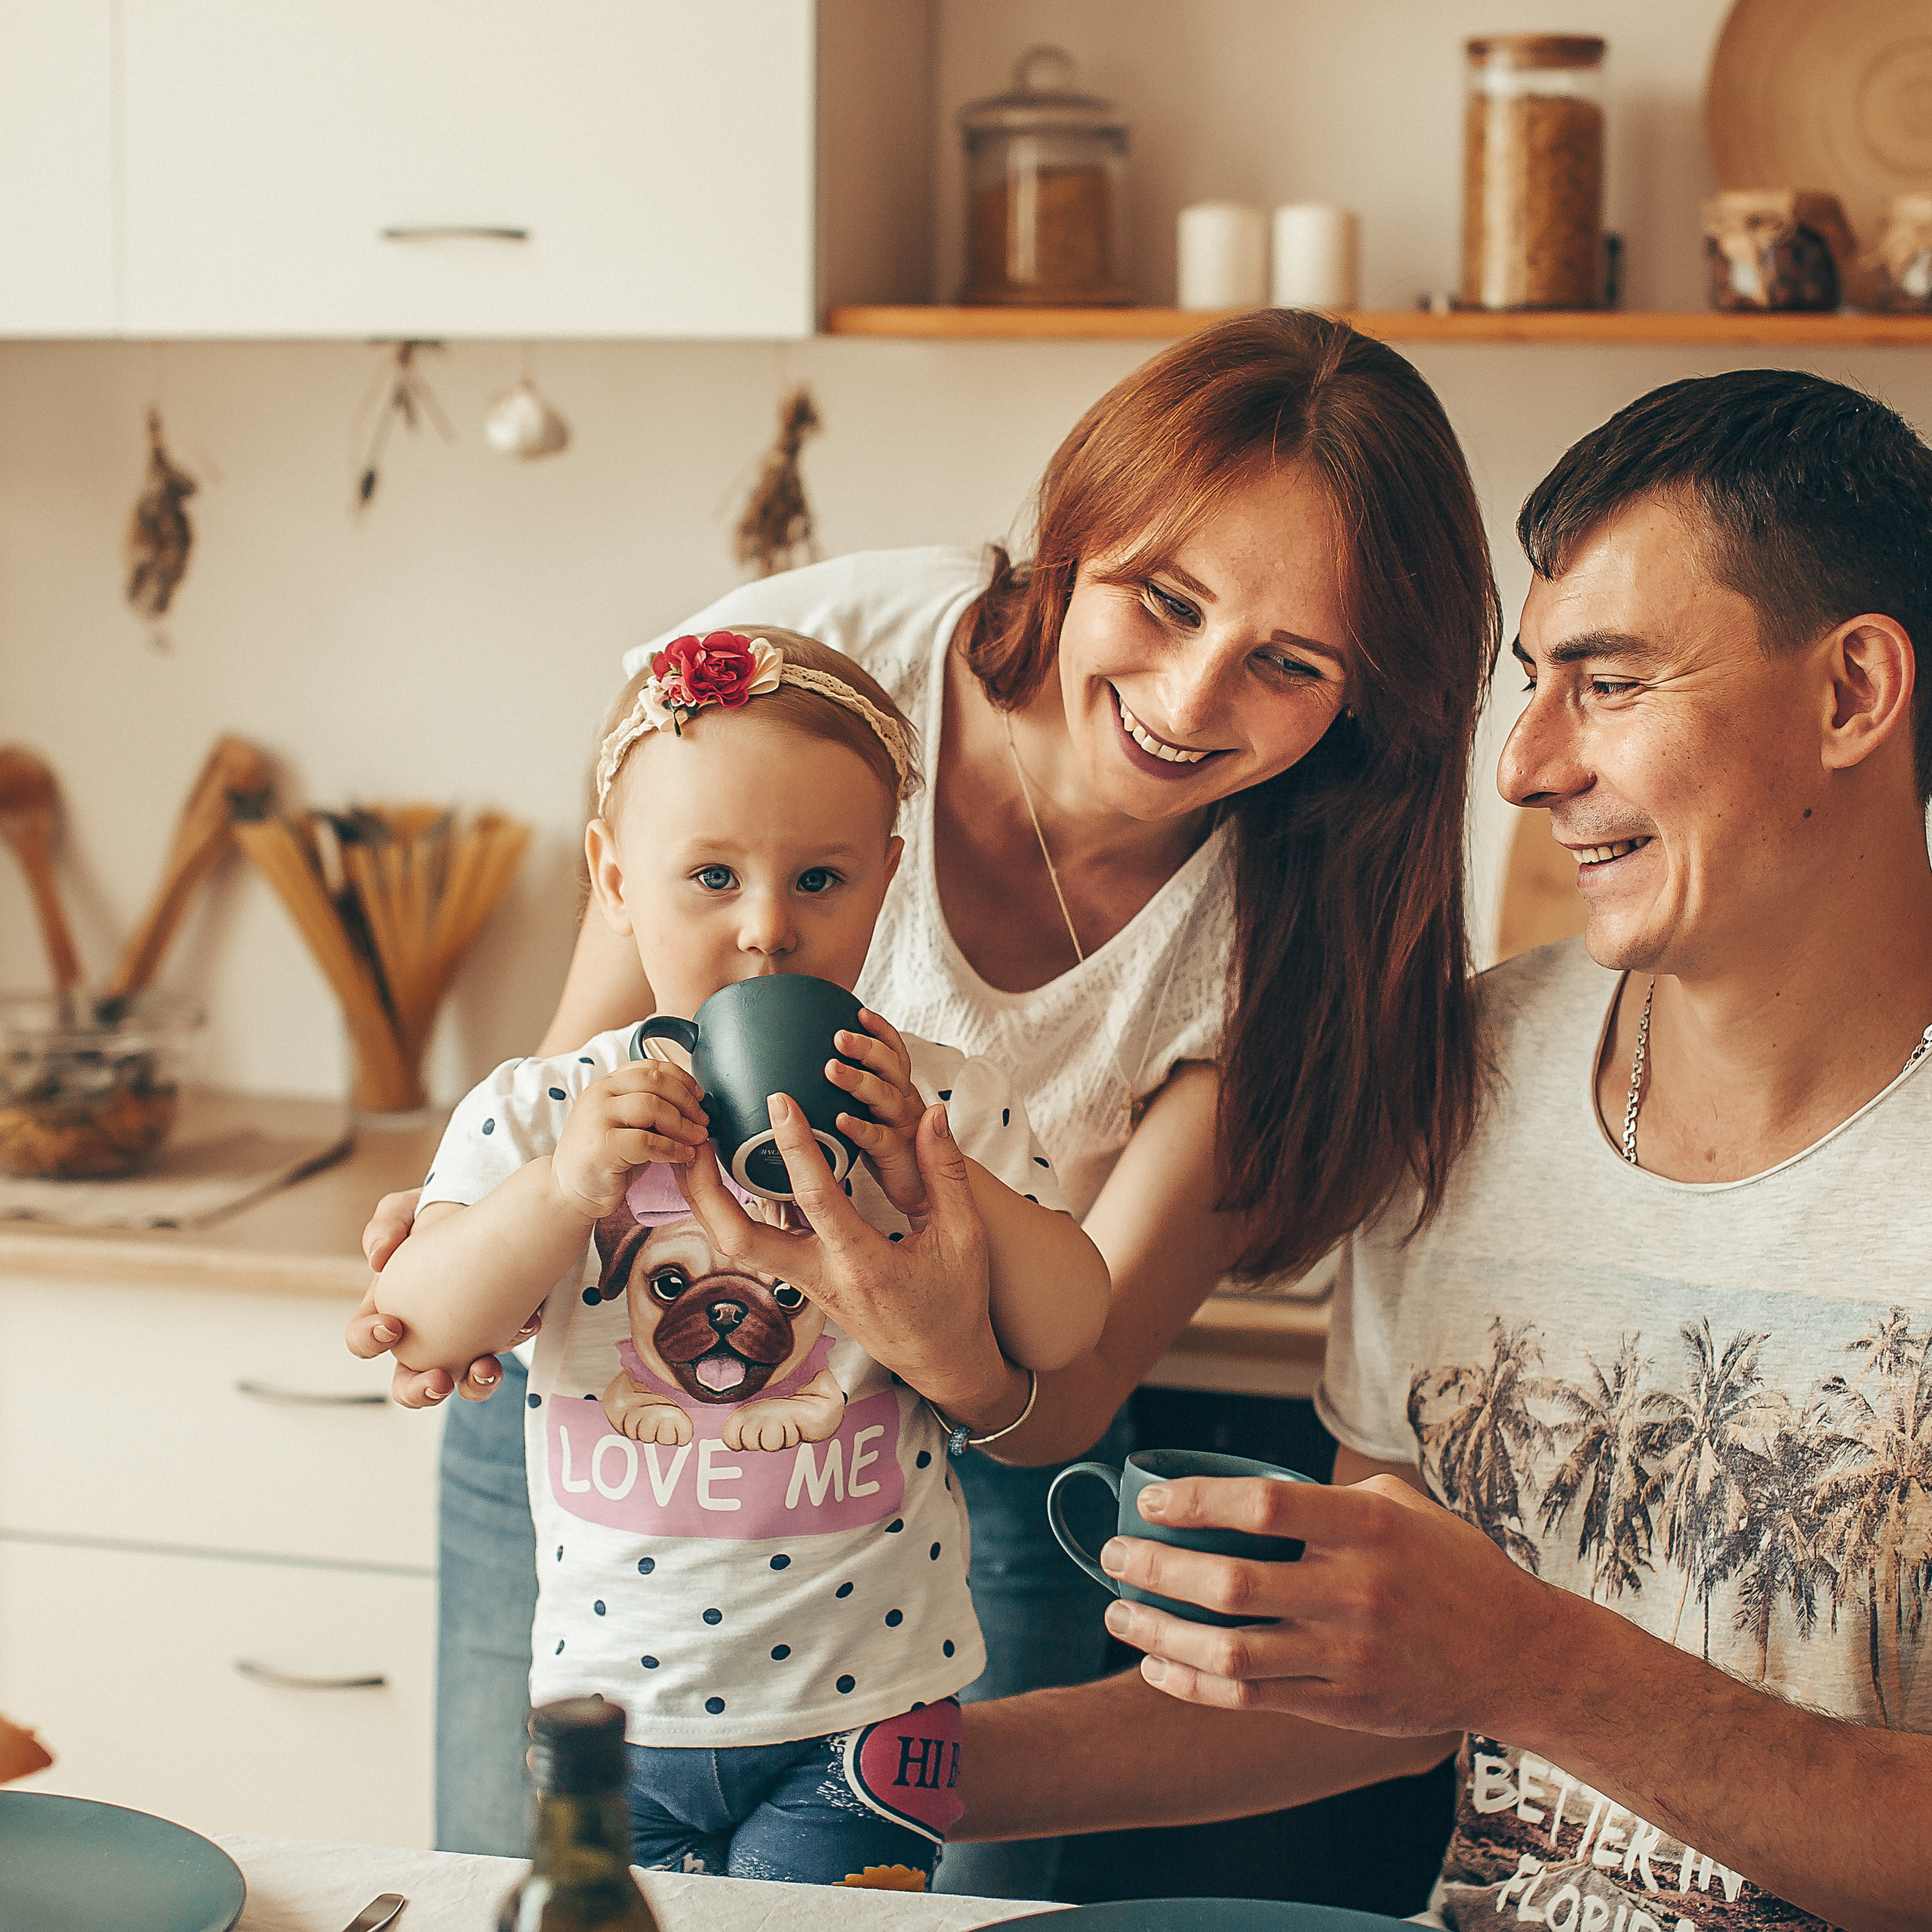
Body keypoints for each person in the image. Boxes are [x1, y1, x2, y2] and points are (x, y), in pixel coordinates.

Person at [350, 309, 1501, 1892]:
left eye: (1290, 663)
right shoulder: (806, 667)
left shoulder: (1308, 932)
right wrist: (484, 1234)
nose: (1188, 694)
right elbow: (577, 1076)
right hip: (605, 1452)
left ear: (1365, 699)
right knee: (543, 1895)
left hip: (945, 1479)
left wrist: (924, 1327)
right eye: (1165, 600)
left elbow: (1070, 1374)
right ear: (1078, 535)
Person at [955, 369, 1932, 1932]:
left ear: (1852, 693)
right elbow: (1372, 1695)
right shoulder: (1464, 1071)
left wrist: (1531, 1660)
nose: (1523, 766)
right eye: (1530, 684)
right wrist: (902, 1765)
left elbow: (1492, 1664)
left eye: (1608, 684)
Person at [372, 628, 1108, 1888]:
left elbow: (1070, 1320)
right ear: (614, 880)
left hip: (869, 1715)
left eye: (820, 879)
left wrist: (932, 1168)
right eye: (712, 875)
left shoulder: (942, 1103)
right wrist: (565, 1191)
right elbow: (421, 1323)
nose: (768, 929)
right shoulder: (542, 1114)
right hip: (606, 1716)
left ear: (888, 881)